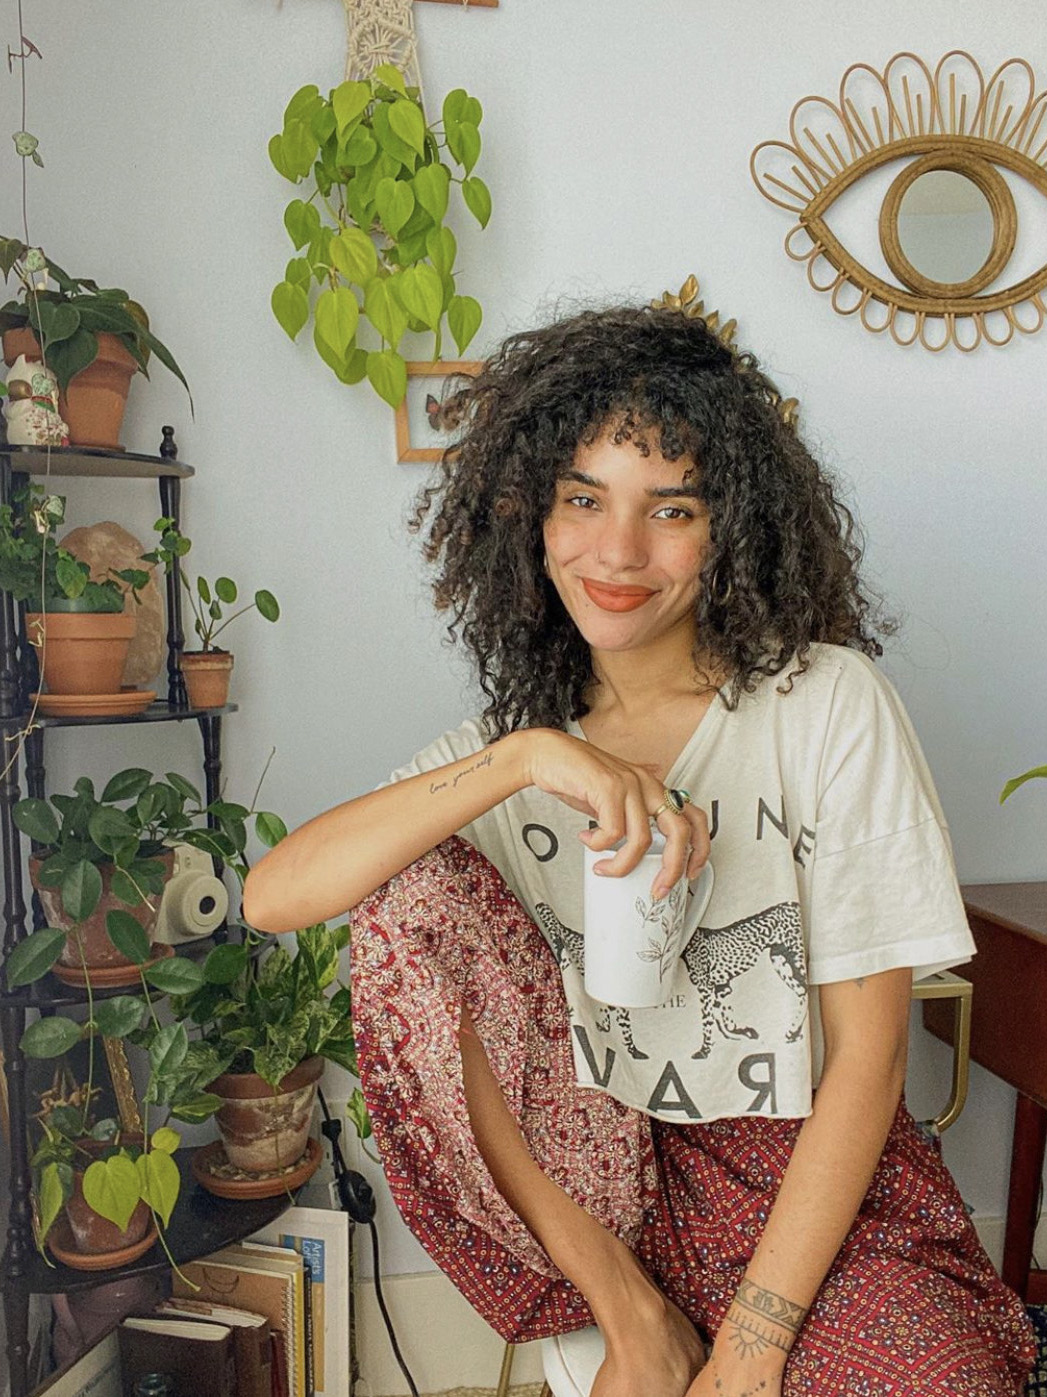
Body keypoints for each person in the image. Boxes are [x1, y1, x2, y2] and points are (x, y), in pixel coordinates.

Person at [243, 305, 1035, 1397]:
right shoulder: (512, 751)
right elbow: (277, 895)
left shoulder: (826, 703)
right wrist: (528, 757)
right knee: (406, 889)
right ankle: (634, 1314)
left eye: (673, 508)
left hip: (808, 1174)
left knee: (948, 1380)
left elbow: (873, 1055)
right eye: (583, 499)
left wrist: (758, 1342)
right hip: (600, 1182)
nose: (617, 551)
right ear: (531, 512)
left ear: (733, 526)